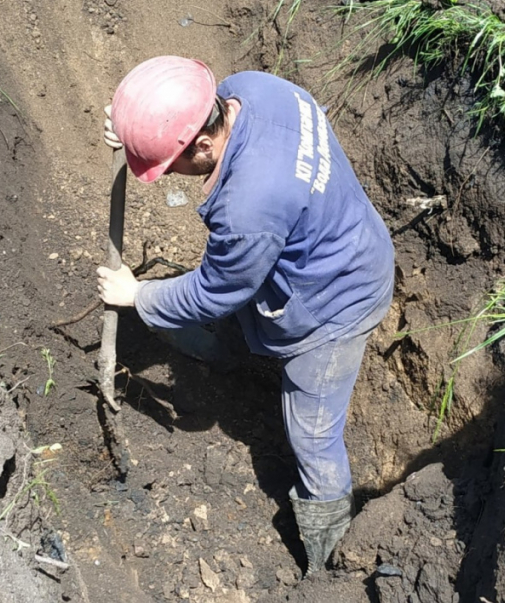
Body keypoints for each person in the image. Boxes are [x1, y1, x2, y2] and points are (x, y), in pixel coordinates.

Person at [96, 56, 394, 575]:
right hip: (343, 239)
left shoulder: (248, 207)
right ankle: (235, 355)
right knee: (239, 322)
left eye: (171, 164)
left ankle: (329, 561)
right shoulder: (253, 91)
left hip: (336, 305)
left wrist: (138, 295)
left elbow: (214, 292)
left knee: (313, 438)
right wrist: (139, 130)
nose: (171, 175)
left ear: (205, 145)